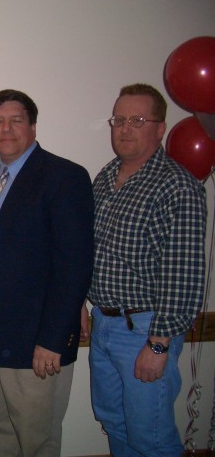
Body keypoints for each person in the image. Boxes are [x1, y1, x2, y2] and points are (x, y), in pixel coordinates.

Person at [0, 89, 94, 456]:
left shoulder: (64, 176)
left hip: (36, 341)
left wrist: (52, 338)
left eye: (16, 120)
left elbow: (74, 264)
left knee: (37, 439)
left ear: (32, 127)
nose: (6, 129)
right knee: (3, 432)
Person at [87, 83, 206, 456]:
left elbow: (183, 274)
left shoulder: (177, 185)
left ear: (160, 128)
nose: (124, 128)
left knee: (151, 438)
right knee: (115, 423)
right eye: (118, 119)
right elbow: (90, 250)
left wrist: (158, 344)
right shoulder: (105, 178)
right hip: (104, 325)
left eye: (137, 120)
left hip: (144, 331)